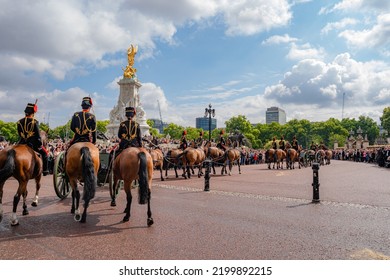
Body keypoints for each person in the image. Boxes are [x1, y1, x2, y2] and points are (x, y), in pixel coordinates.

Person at [17, 102, 49, 176]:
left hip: (21, 142)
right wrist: (40, 144)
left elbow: (19, 134)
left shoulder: (19, 122)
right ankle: (45, 170)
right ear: (33, 112)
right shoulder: (34, 122)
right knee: (45, 154)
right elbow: (38, 135)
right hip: (32, 144)